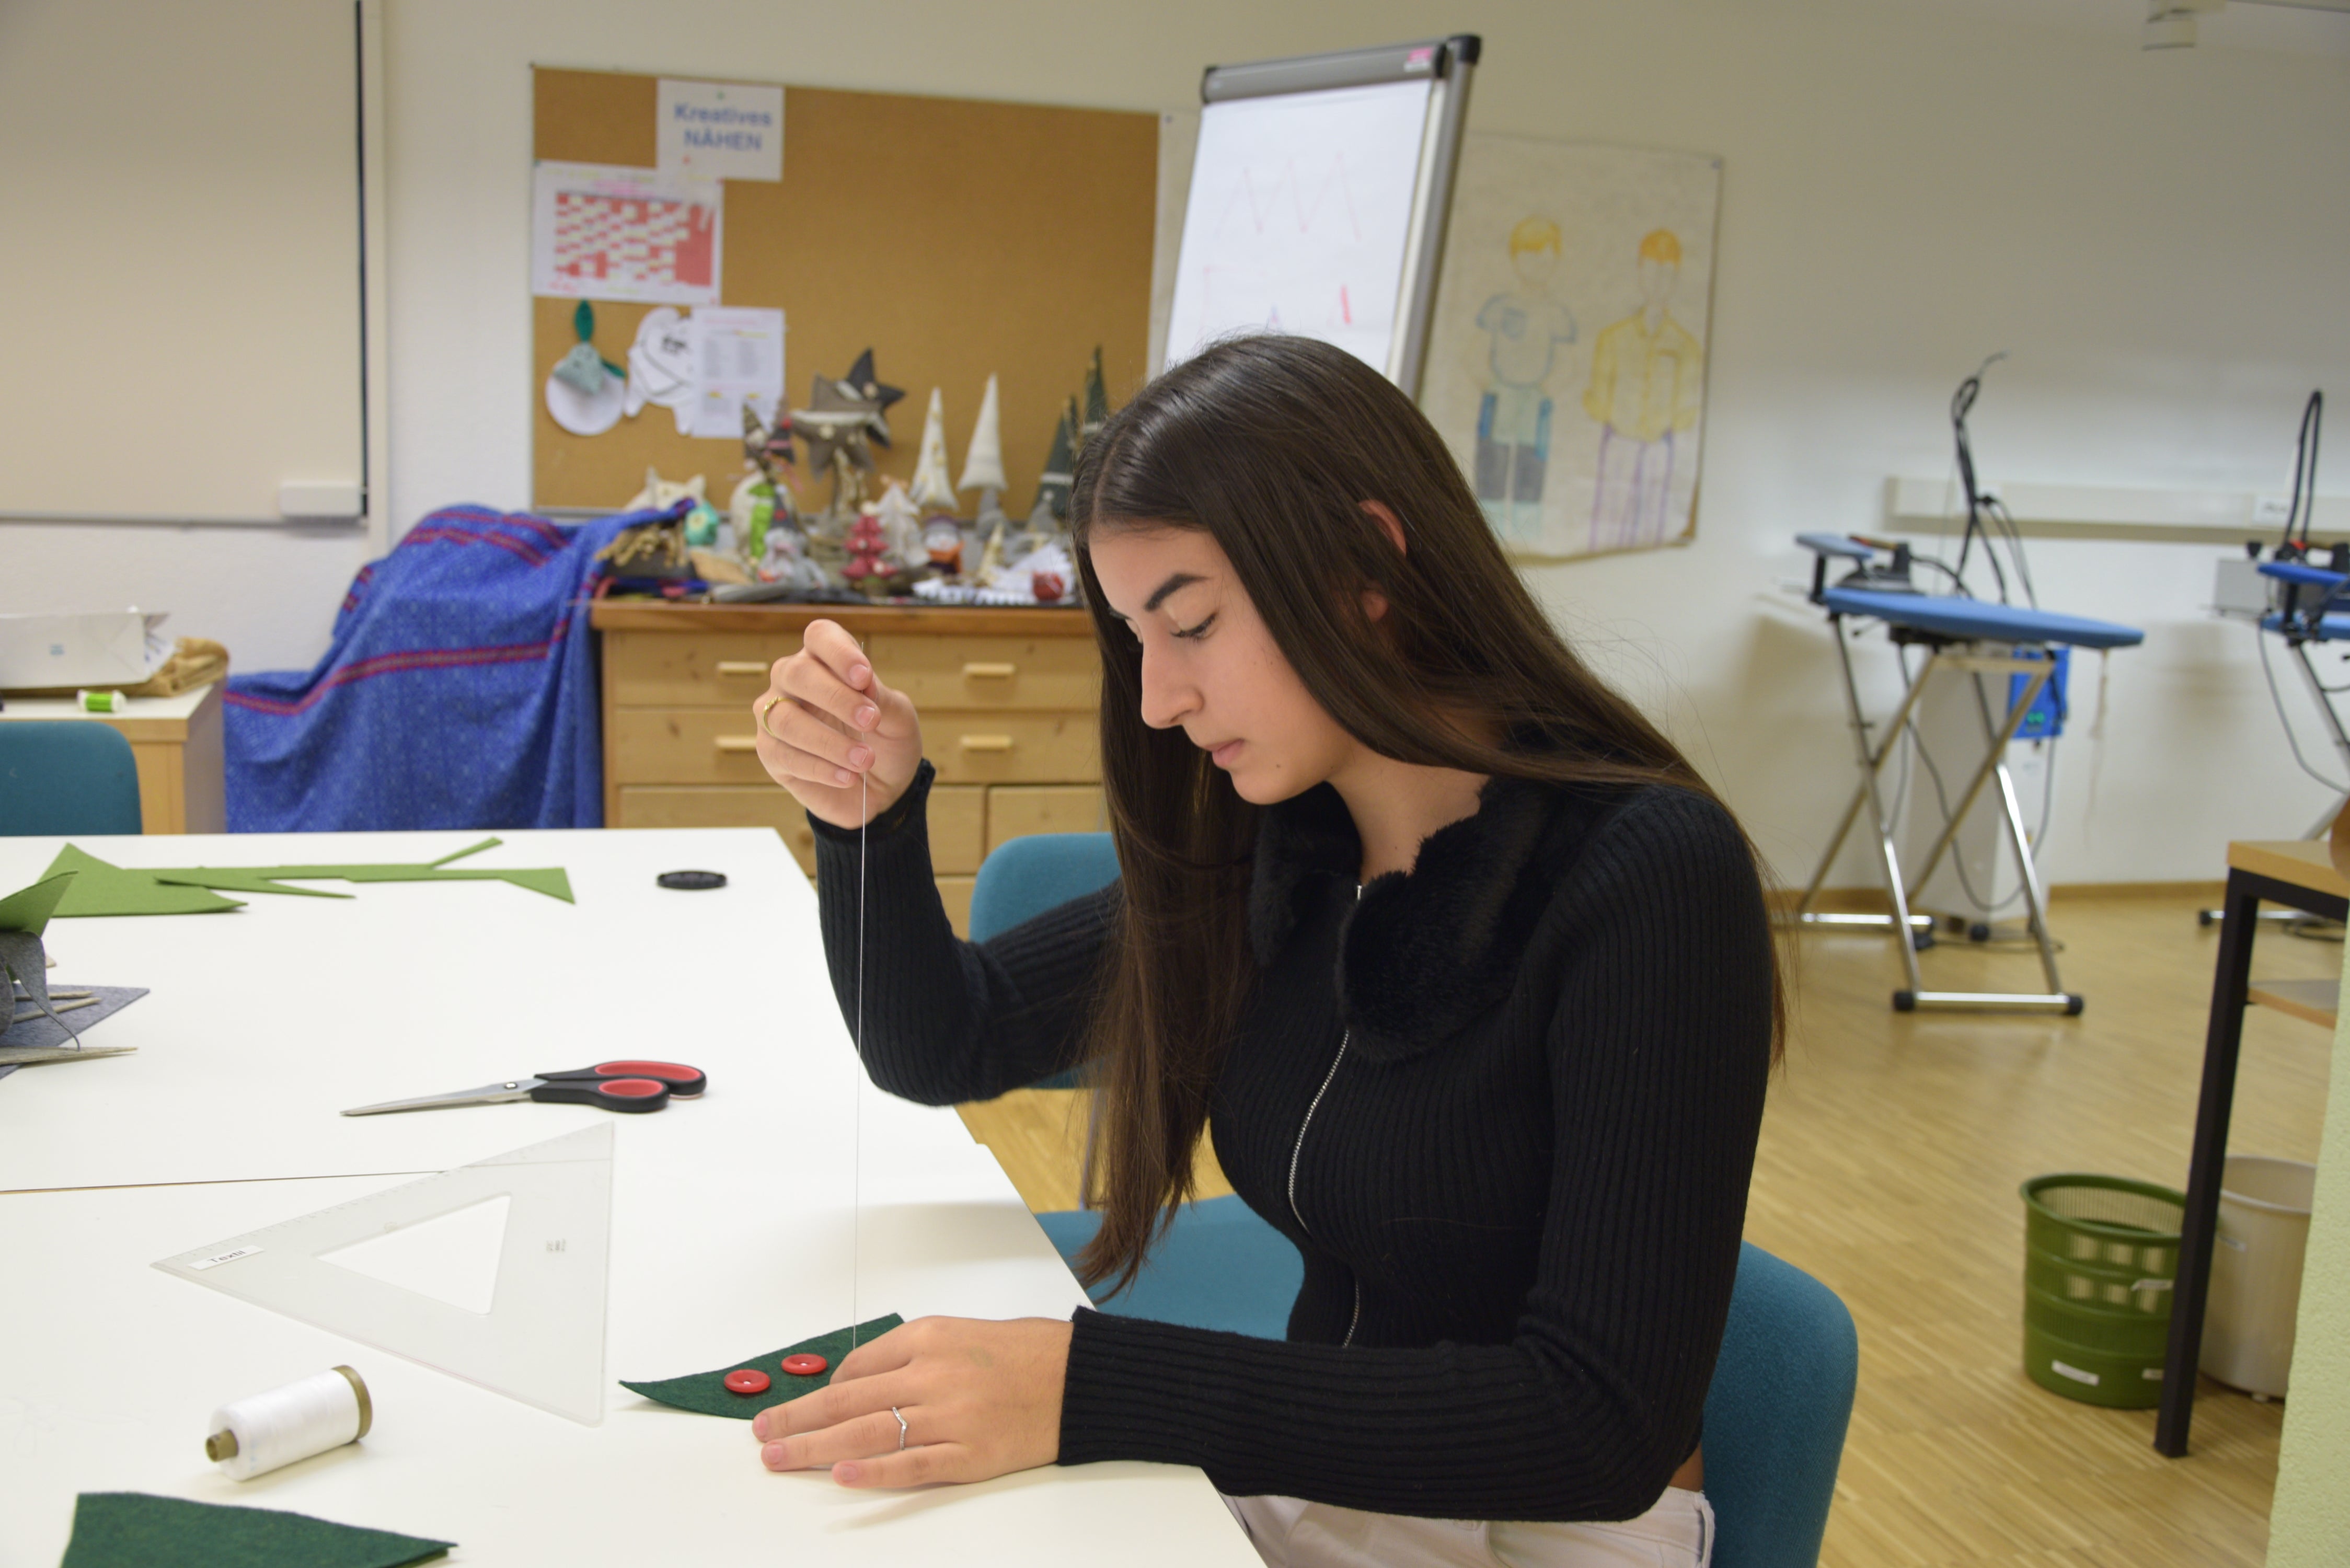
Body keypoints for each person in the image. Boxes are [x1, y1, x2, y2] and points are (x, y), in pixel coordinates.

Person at [746, 334, 1778, 1568]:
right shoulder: (1288, 846)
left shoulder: (1646, 875)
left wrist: (1087, 1386)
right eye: (1136, 637)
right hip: (1316, 1477)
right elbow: (947, 1039)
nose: (1157, 699)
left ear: (1364, 567)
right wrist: (867, 821)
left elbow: (1596, 1426)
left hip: (1543, 1534)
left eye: (1190, 625)